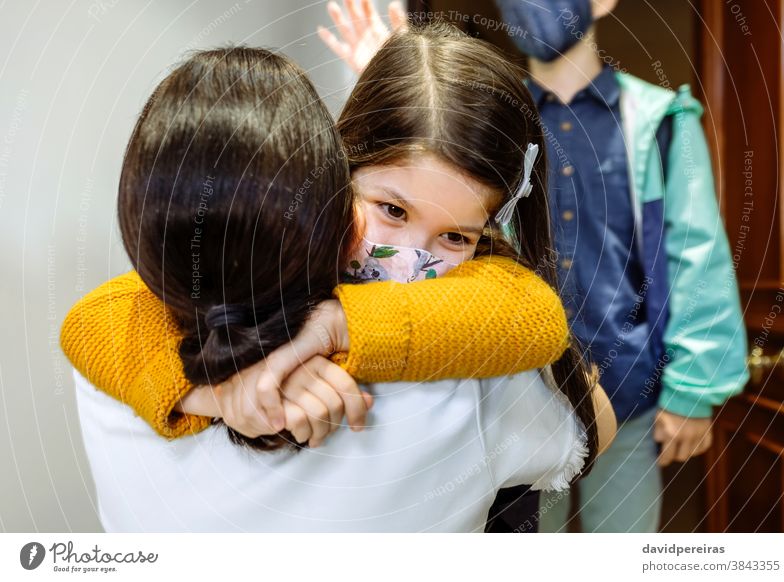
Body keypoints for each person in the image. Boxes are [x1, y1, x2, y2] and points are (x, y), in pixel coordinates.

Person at [65, 36, 615, 531]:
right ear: (330, 174)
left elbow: (531, 312)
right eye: (391, 211)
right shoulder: (473, 391)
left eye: (456, 238)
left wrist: (340, 325)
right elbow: (97, 316)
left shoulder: (111, 379)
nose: (408, 263)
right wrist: (217, 390)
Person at [487, 0, 749, 532]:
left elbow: (696, 256)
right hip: (516, 400)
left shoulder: (661, 122)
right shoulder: (492, 123)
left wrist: (692, 390)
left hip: (630, 394)